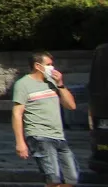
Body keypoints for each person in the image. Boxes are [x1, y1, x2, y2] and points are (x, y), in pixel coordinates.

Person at [13, 51, 79, 186]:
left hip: (59, 136)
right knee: (53, 179)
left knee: (72, 178)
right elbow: (17, 114)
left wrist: (60, 84)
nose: (52, 68)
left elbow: (71, 105)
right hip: (39, 136)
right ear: (38, 66)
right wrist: (20, 142)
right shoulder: (23, 84)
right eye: (48, 64)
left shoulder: (52, 82)